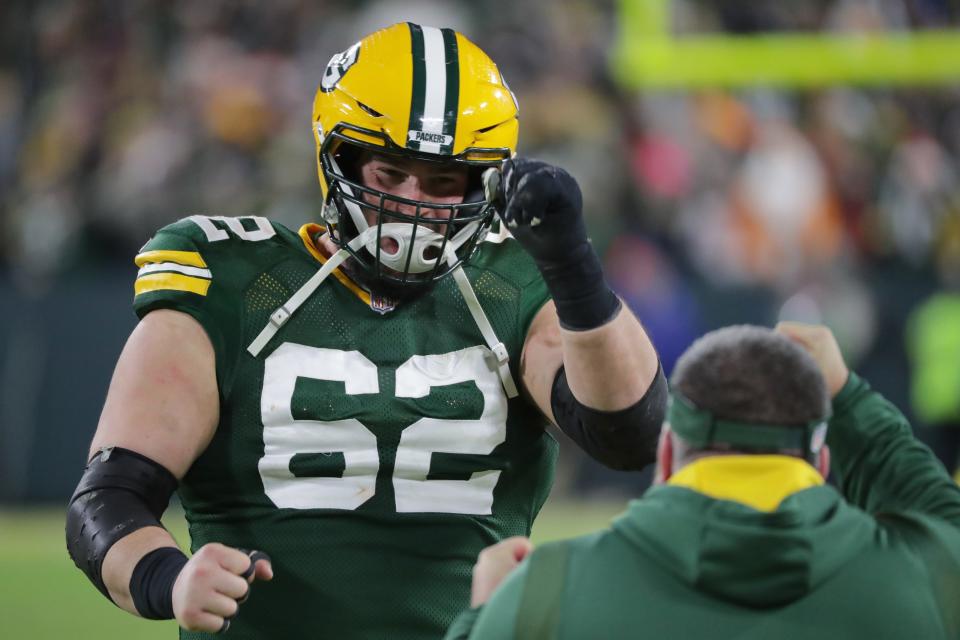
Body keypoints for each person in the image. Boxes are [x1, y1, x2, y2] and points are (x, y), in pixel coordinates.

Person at [64, 22, 666, 639]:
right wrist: (169, 578)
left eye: (441, 183)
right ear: (339, 157)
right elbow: (107, 501)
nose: (413, 203)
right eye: (390, 173)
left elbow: (627, 431)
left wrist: (573, 267)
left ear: (482, 184)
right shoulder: (232, 282)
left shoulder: (512, 282)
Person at [445, 322, 960, 640]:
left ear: (666, 455)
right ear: (821, 464)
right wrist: (849, 397)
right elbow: (943, 520)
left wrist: (485, 615)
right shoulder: (925, 584)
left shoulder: (542, 597)